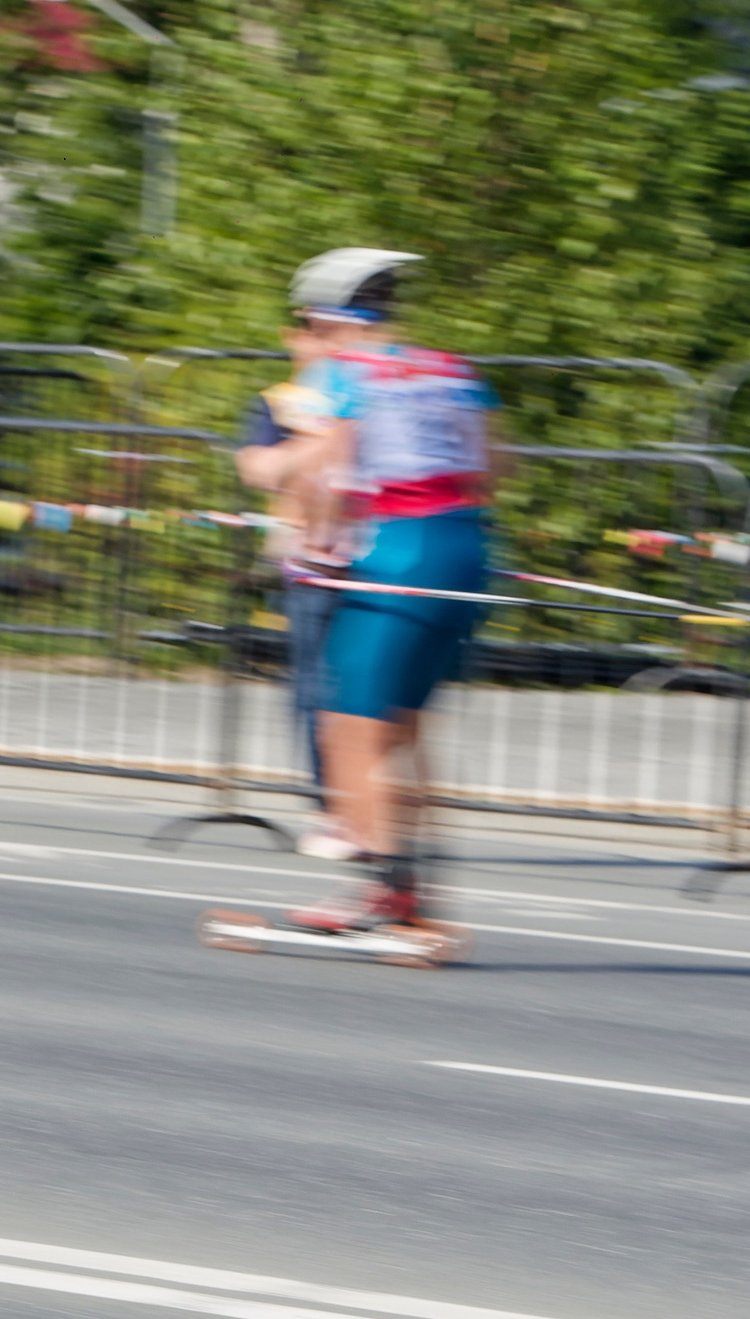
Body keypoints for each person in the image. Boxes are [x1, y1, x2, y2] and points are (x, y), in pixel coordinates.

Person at [280, 248, 503, 931]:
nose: (313, 341)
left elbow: (331, 479)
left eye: (313, 326)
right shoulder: (453, 368)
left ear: (335, 320)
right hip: (465, 547)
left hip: (398, 553)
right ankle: (410, 886)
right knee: (402, 729)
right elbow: (496, 467)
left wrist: (319, 541)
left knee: (348, 730)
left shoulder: (349, 375)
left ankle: (388, 892)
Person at [233, 314, 358, 859]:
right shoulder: (278, 400)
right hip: (312, 562)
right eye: (313, 330)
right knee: (314, 686)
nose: (324, 342)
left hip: (378, 561)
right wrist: (324, 439)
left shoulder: (372, 392)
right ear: (293, 337)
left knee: (371, 688)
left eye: (333, 331)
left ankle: (371, 808)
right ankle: (328, 807)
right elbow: (258, 469)